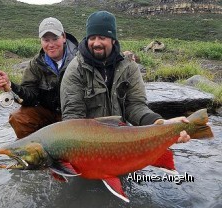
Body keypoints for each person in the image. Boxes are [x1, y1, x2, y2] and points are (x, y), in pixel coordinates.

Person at [60, 11, 190, 143]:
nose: (96, 43)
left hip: (122, 140)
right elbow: (72, 118)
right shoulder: (75, 70)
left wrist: (160, 124)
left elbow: (135, 106)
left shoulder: (129, 67)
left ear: (113, 39)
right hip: (89, 142)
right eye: (92, 38)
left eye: (102, 37)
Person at [0, 17, 78, 139]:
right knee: (18, 118)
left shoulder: (80, 59)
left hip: (77, 114)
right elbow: (29, 98)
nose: (51, 44)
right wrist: (10, 86)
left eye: (55, 38)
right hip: (49, 113)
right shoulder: (35, 64)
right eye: (46, 40)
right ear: (41, 41)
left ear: (63, 37)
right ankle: (36, 153)